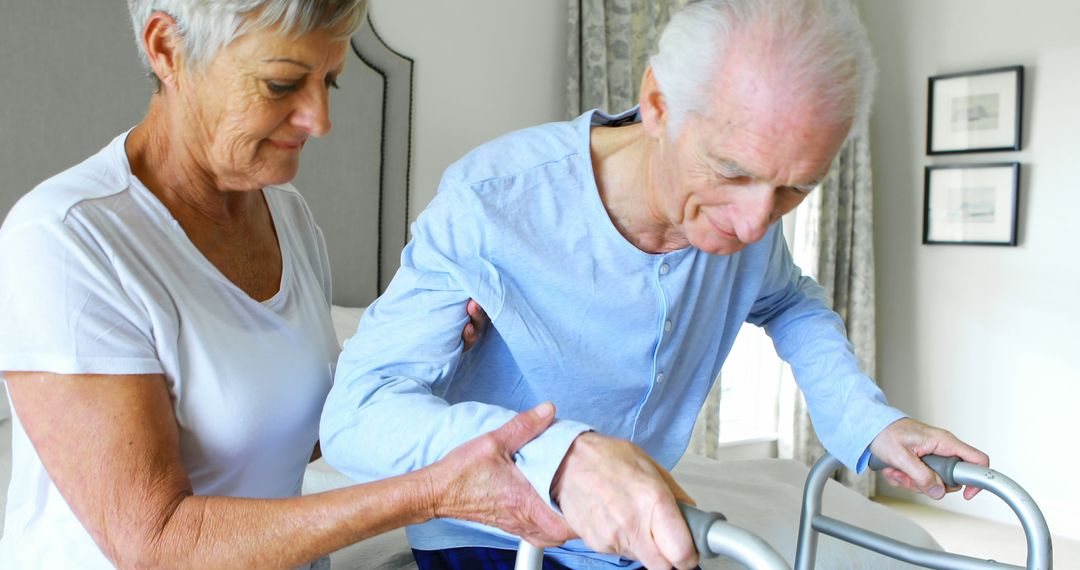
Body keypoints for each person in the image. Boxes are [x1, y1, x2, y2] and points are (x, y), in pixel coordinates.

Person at [319, 1, 990, 569]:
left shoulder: (744, 216)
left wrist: (869, 421)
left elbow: (788, 300)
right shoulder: (494, 202)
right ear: (658, 103)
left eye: (794, 189)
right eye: (732, 171)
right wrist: (565, 458)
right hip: (499, 532)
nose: (756, 223)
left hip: (640, 533)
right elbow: (359, 414)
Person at [0, 1, 574, 568]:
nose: (320, 120)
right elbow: (155, 541)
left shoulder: (286, 215)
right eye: (281, 84)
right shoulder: (67, 238)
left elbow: (297, 426)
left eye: (331, 82)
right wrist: (429, 493)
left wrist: (431, 360)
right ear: (166, 49)